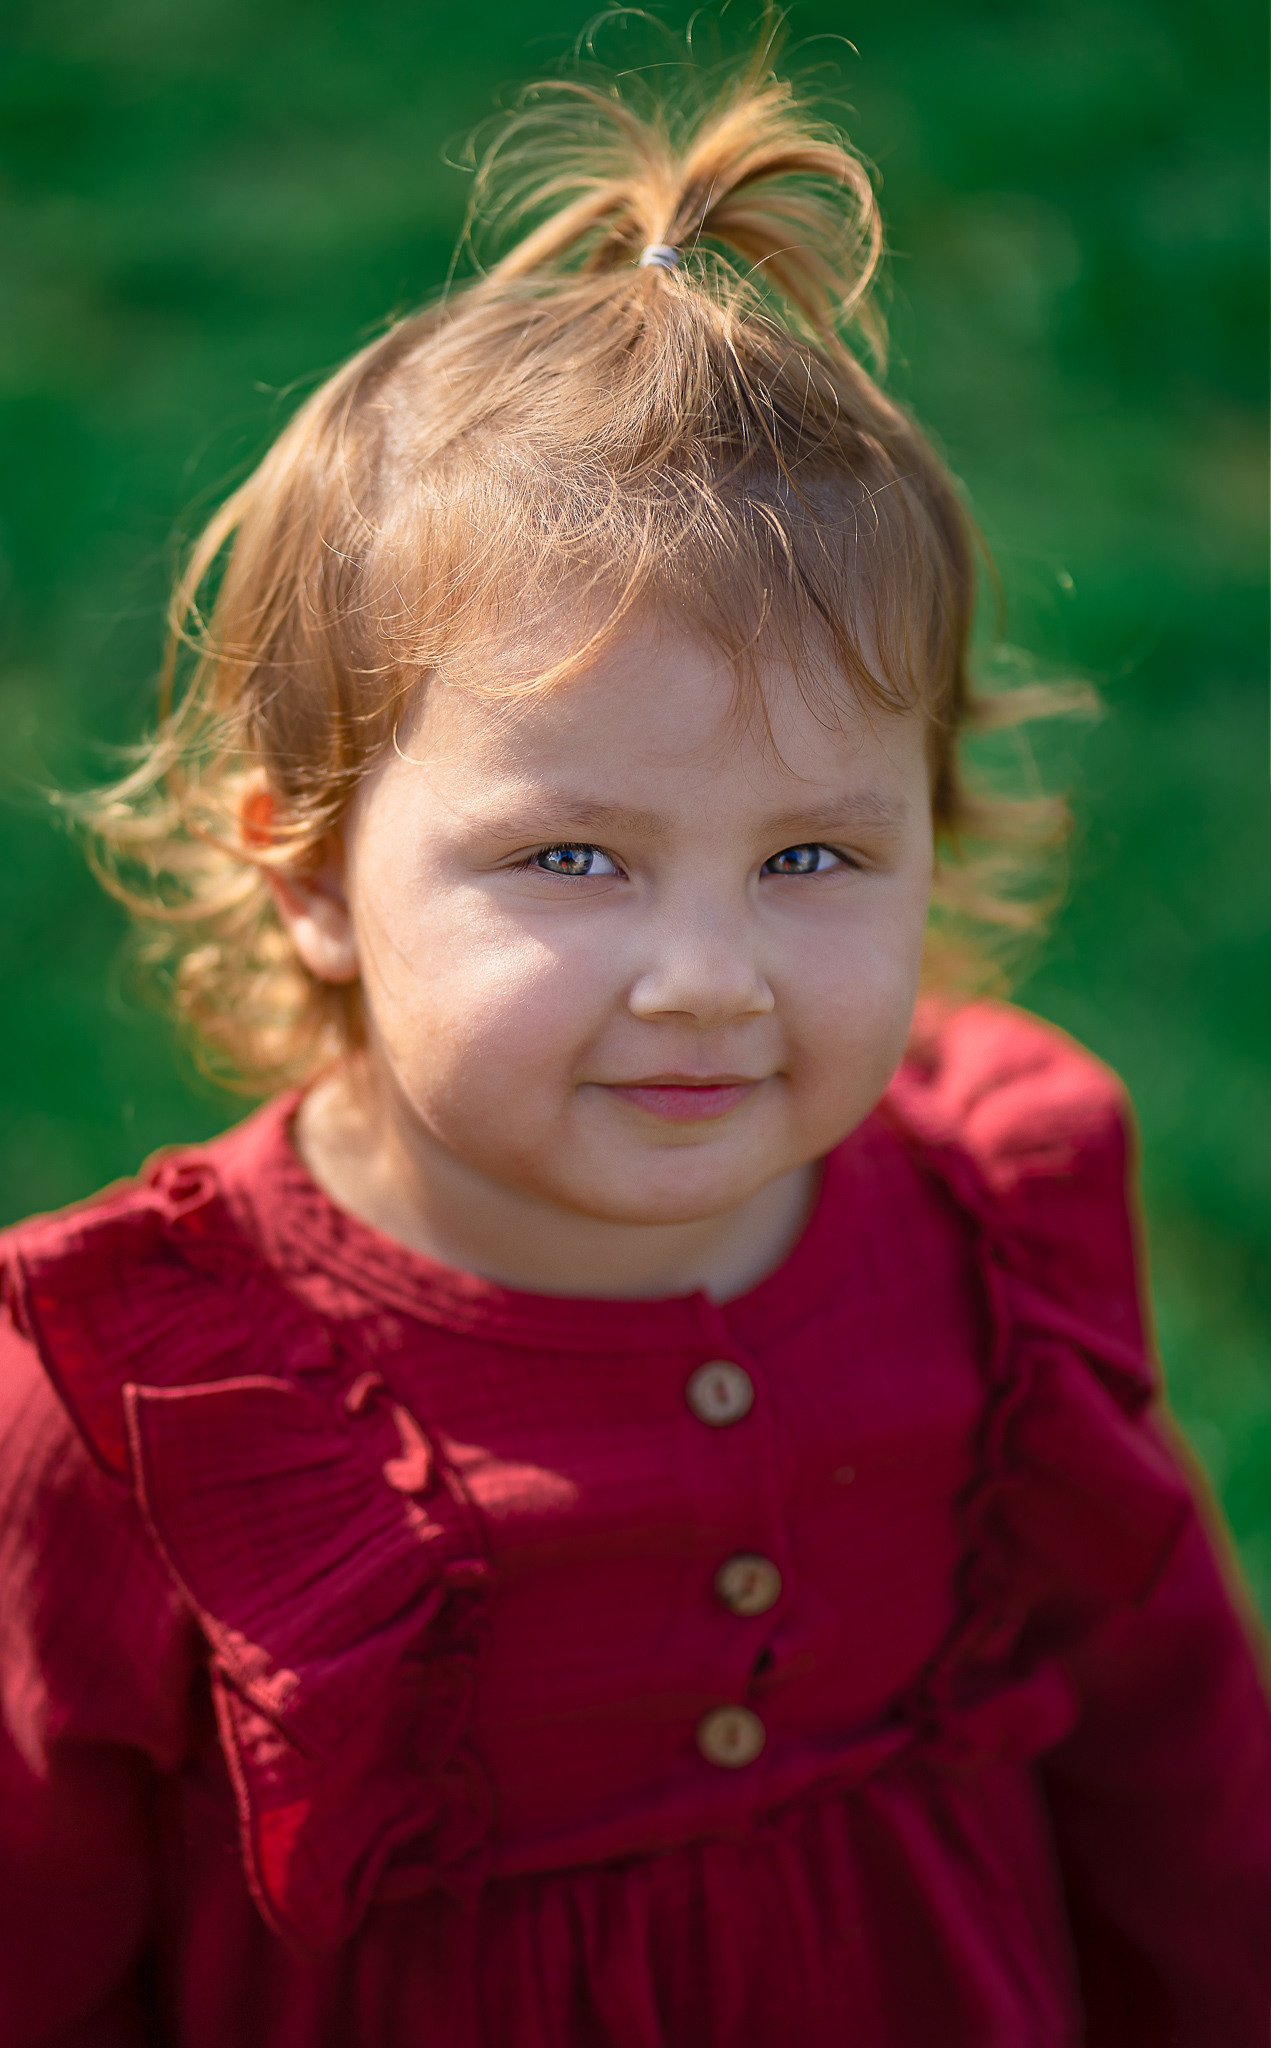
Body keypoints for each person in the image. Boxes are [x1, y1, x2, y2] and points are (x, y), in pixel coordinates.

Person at [1, 33, 1268, 2048]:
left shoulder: (997, 1250)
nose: (707, 974)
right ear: (311, 874)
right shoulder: (134, 1410)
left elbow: (1179, 1779)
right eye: (573, 857)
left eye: (810, 855)